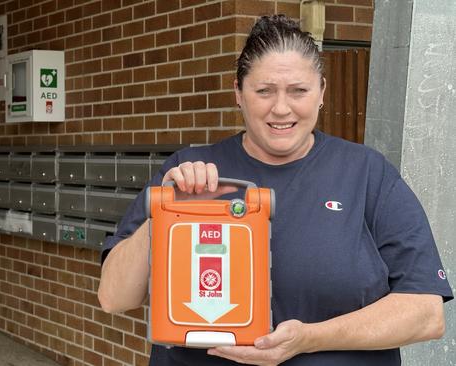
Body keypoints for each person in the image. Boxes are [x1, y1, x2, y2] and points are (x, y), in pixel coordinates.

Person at [98, 14, 453, 366]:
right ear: (238, 93)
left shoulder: (366, 174)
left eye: (298, 90)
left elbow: (425, 312)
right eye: (264, 90)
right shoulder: (189, 173)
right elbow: (114, 297)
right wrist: (168, 211)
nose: (281, 108)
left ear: (321, 93)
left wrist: (310, 339)